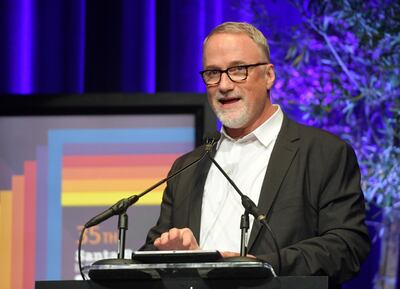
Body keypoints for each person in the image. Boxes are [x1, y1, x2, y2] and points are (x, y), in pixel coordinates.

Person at [141, 22, 370, 287]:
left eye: (238, 70)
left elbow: (347, 246)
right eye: (213, 73)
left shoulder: (324, 153)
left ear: (269, 75)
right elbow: (152, 253)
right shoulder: (188, 167)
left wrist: (259, 267)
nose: (224, 85)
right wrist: (171, 252)